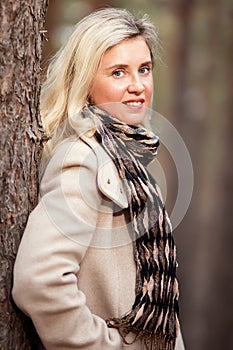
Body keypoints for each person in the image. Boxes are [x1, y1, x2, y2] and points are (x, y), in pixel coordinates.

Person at [12, 7, 185, 350]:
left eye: (144, 69)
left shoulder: (129, 159)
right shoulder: (84, 159)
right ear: (86, 83)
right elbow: (39, 283)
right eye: (118, 72)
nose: (137, 85)